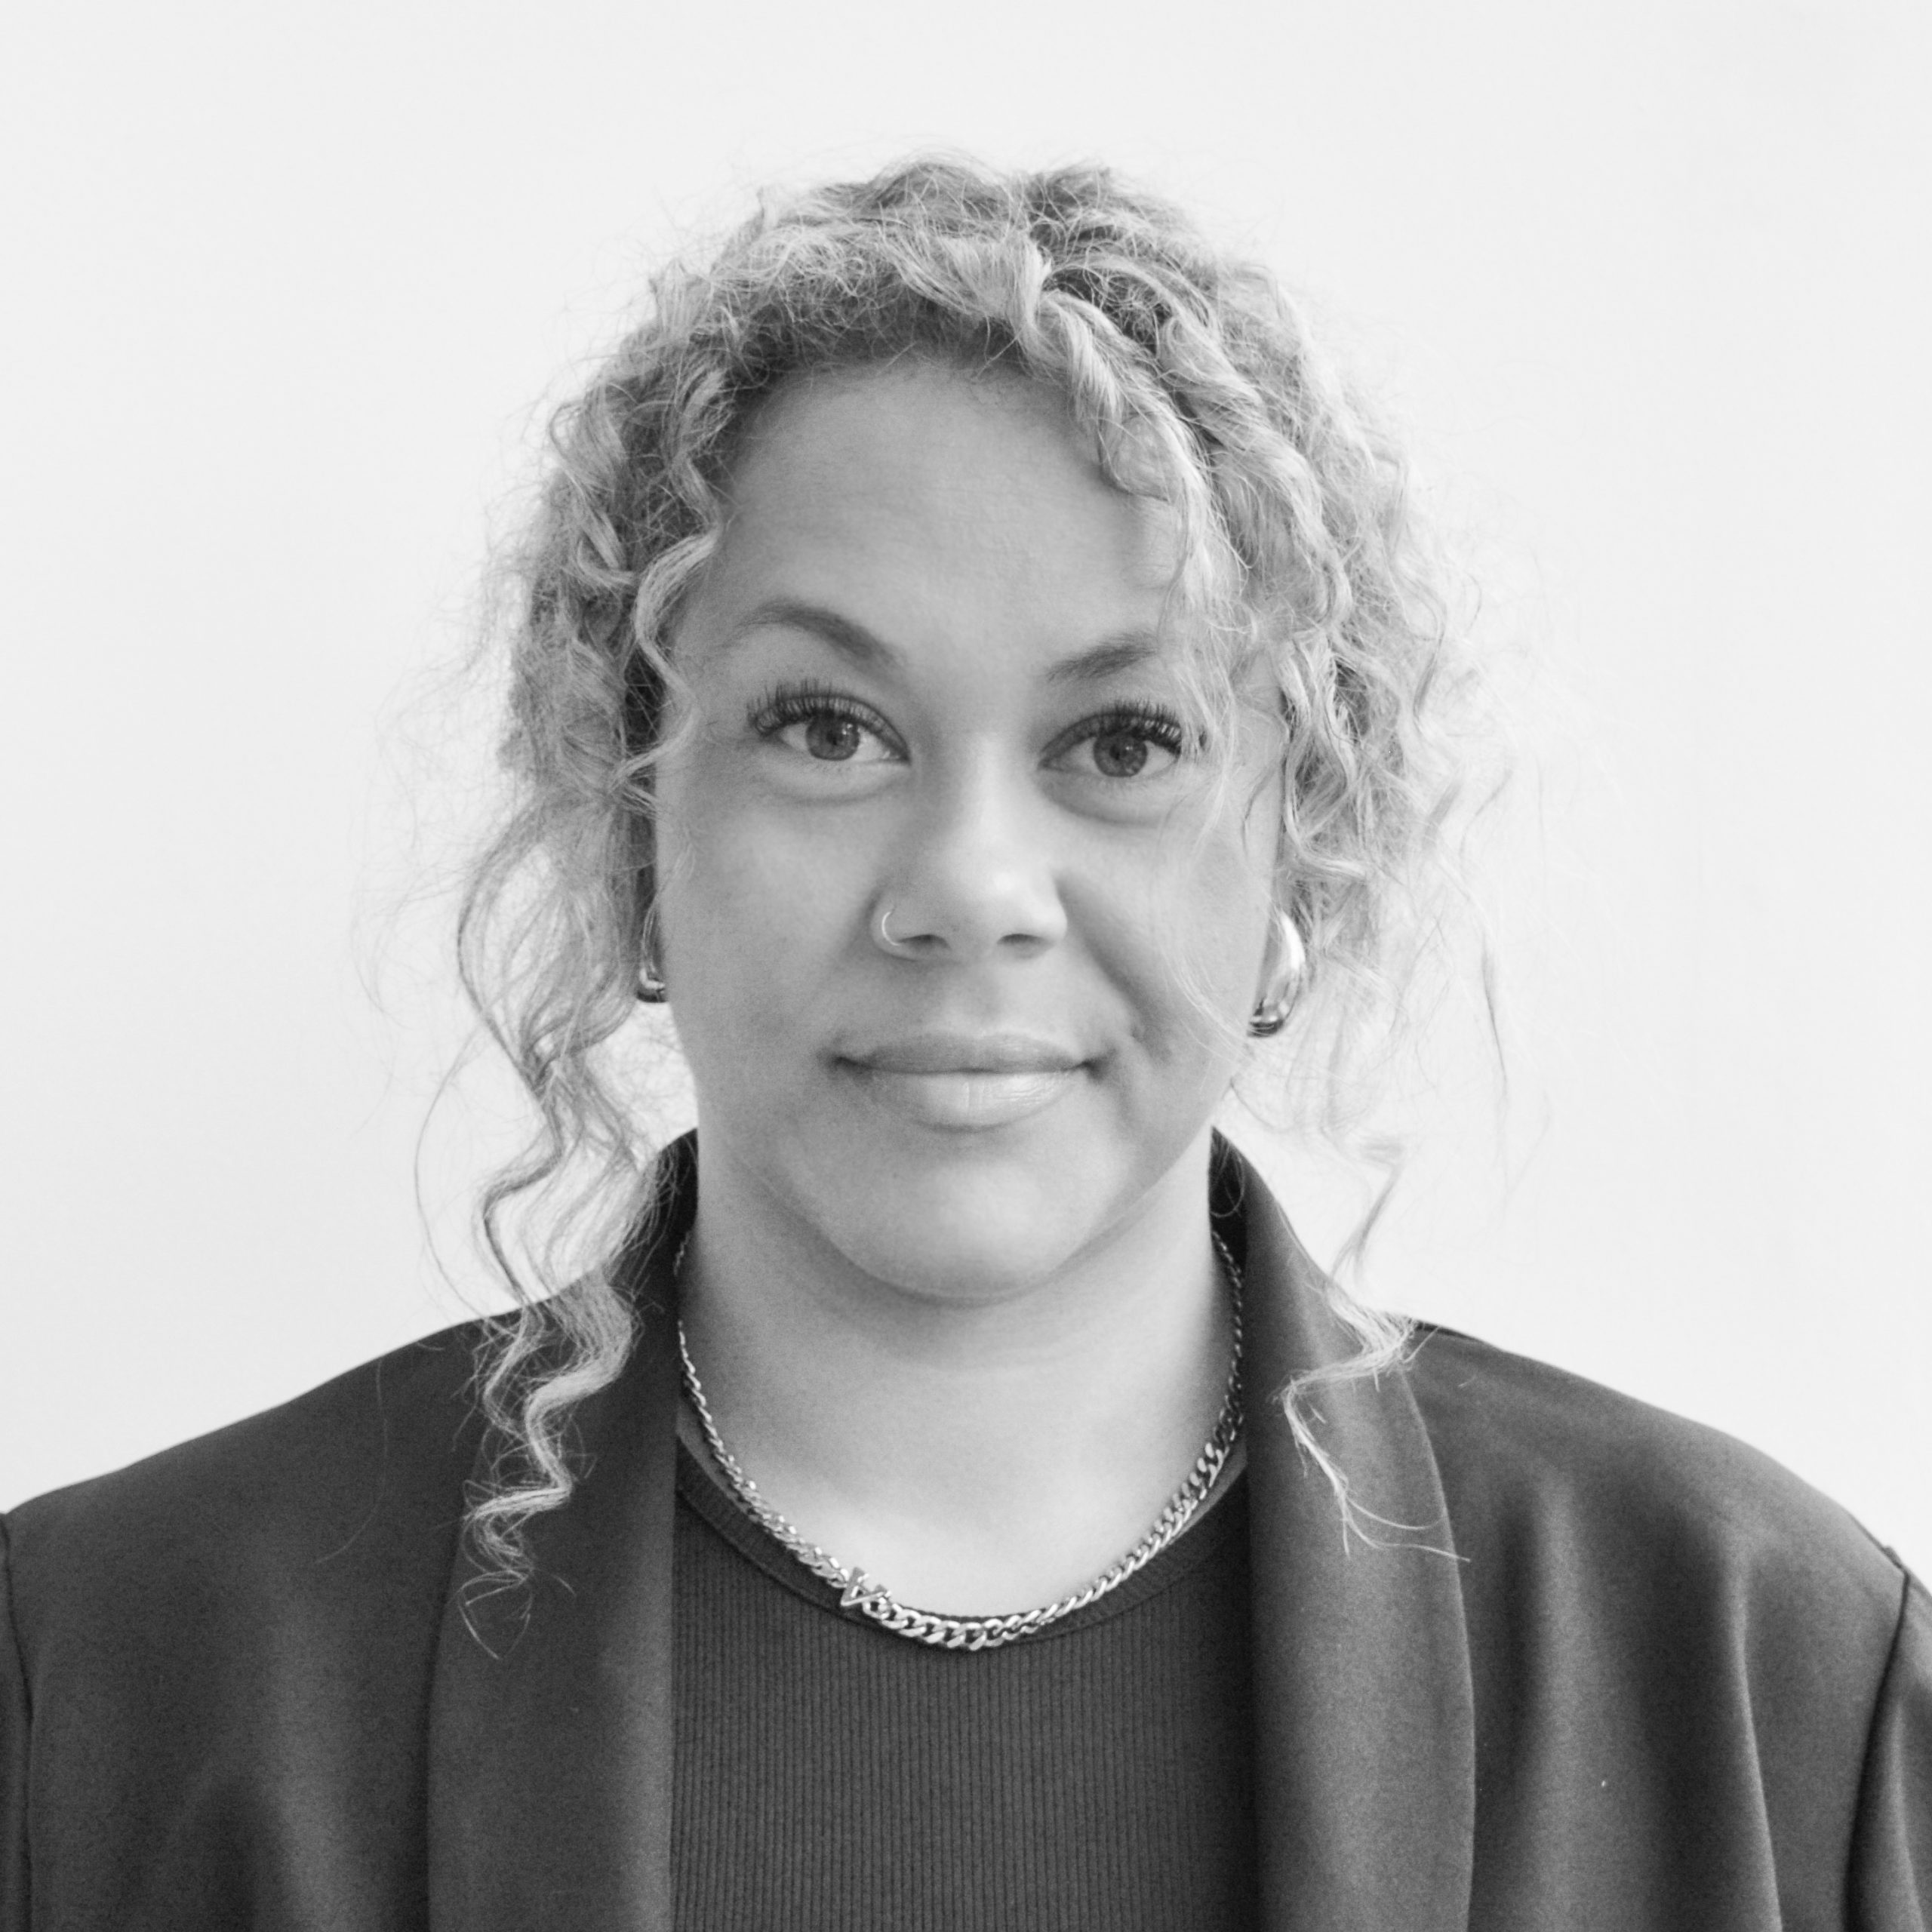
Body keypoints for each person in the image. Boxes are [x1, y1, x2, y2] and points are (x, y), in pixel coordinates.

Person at [2, 157, 1926, 1932]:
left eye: (1123, 740)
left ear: (1299, 854)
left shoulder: (1770, 1678)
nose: (969, 886)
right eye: (827, 725)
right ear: (631, 827)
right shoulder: (111, 1678)